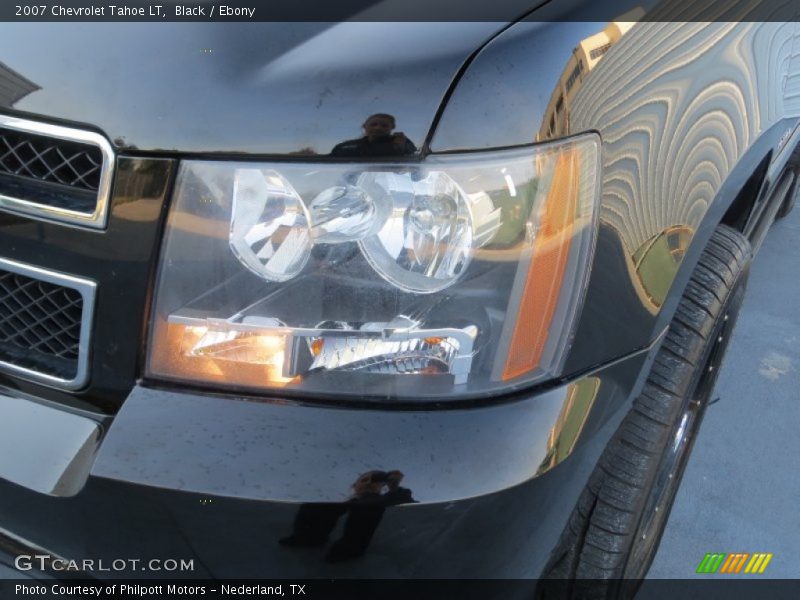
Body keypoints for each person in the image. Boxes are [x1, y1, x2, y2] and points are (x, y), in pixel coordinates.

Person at [331, 113, 417, 157]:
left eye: (384, 125)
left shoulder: (403, 143)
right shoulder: (348, 146)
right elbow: (332, 159)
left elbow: (417, 172)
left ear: (392, 127)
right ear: (365, 126)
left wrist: (400, 146)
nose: (378, 128)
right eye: (373, 124)